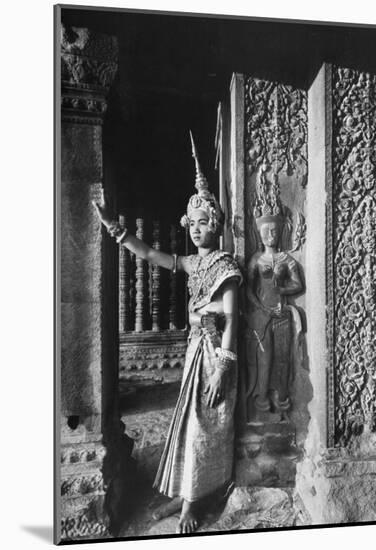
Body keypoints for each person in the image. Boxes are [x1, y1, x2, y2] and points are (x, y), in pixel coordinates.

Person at [93, 132, 242, 534]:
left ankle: (193, 502)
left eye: (203, 223)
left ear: (217, 224)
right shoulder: (193, 264)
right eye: (191, 223)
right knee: (186, 423)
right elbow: (151, 255)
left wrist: (222, 369)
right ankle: (184, 492)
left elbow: (233, 319)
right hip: (196, 350)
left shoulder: (226, 268)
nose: (196, 230)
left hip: (215, 358)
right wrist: (117, 231)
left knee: (204, 425)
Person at [246, 194, 303, 418]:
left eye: (274, 231)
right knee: (264, 357)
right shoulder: (256, 260)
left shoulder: (286, 259)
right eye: (266, 231)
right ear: (259, 234)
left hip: (281, 314)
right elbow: (249, 290)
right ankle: (261, 398)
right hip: (261, 315)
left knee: (282, 358)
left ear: (280, 233)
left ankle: (282, 399)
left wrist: (282, 289)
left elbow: (297, 285)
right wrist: (261, 307)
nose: (270, 235)